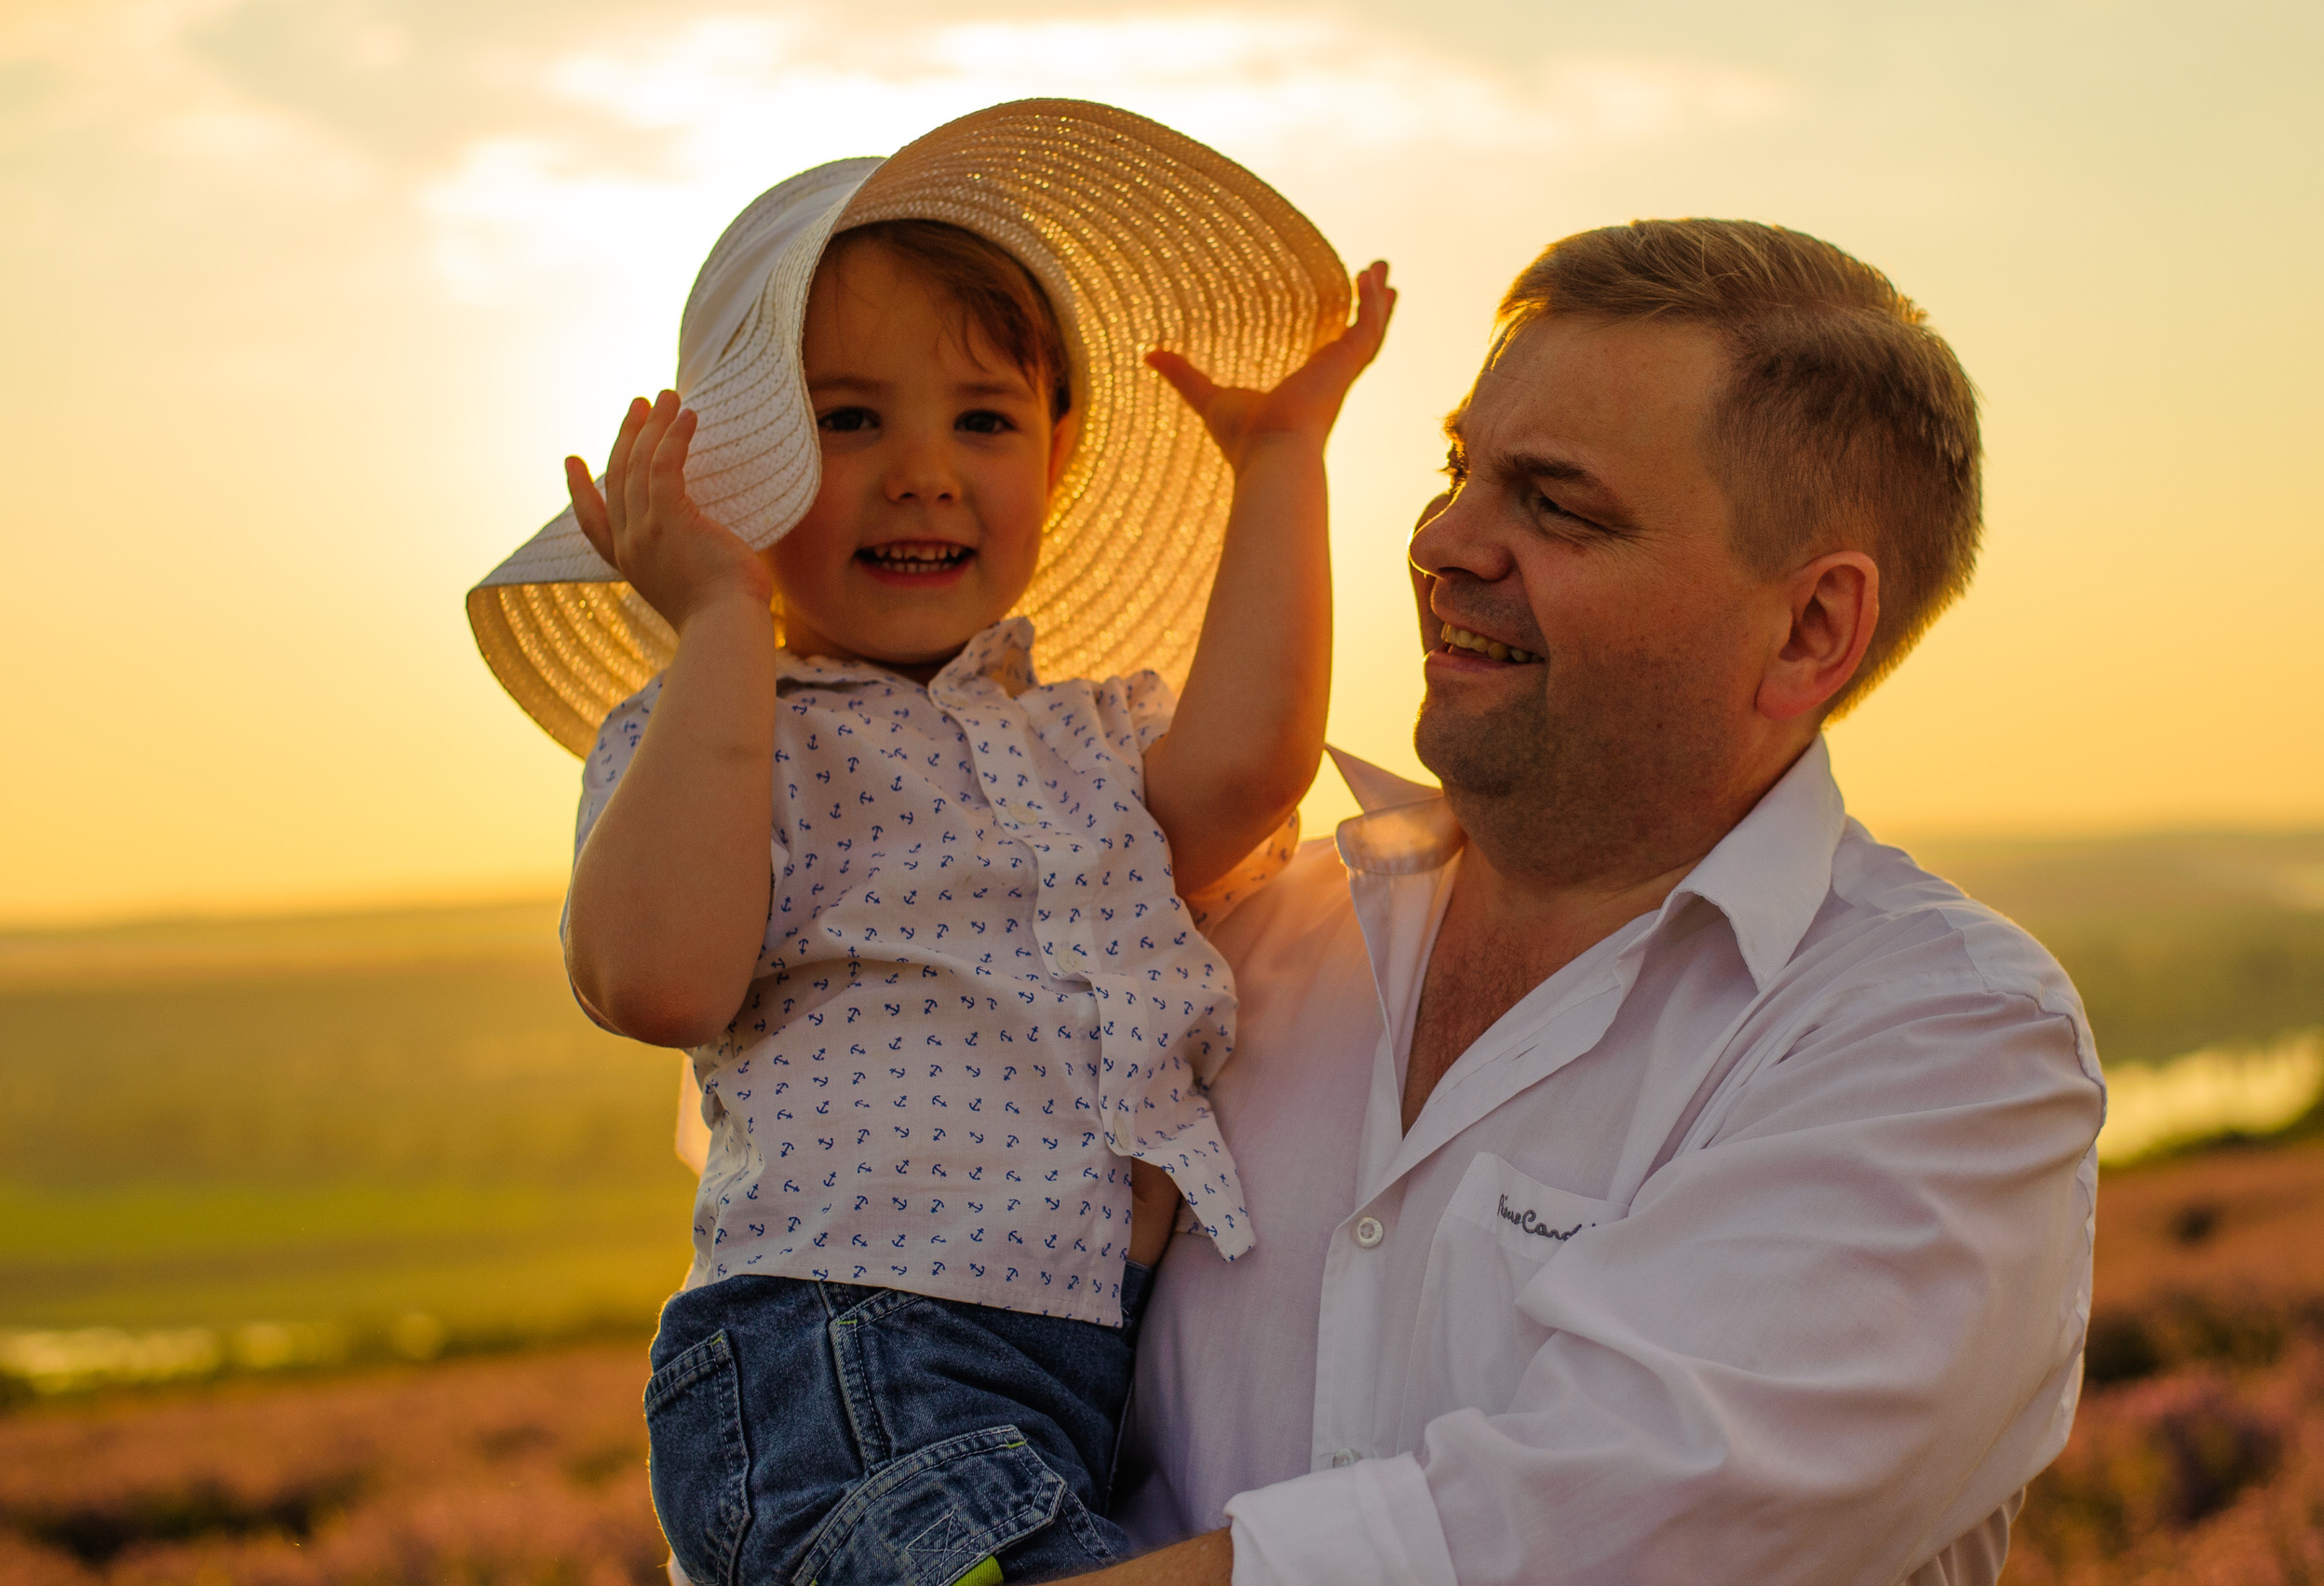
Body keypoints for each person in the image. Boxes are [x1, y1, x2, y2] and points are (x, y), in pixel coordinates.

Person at [464, 101, 1393, 1586]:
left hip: (1065, 1386)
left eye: (981, 420)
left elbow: (1250, 764)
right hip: (842, 1356)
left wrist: (1281, 458)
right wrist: (719, 623)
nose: (920, 470)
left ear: (1059, 458)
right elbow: (658, 979)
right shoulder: (729, 736)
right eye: (845, 422)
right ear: (734, 481)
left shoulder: (1086, 740)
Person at [1096, 220, 2104, 1586]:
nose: (1445, 540)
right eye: (1460, 467)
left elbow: (1545, 1545)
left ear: (1811, 630)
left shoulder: (1948, 1047)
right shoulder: (1239, 941)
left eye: (1556, 504)